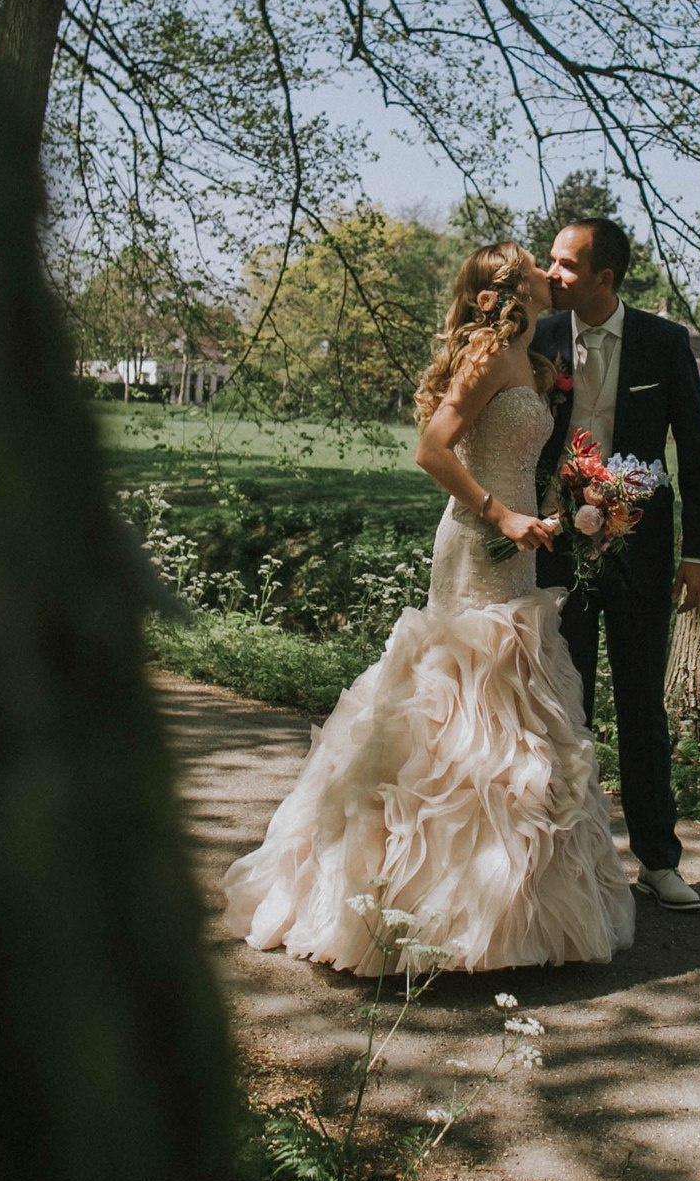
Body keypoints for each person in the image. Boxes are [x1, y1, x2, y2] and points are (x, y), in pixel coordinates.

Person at [221, 243, 637, 975]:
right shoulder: (485, 357)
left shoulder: (531, 356)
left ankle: (517, 912)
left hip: (521, 545)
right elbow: (433, 449)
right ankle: (420, 903)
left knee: (519, 710)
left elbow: (514, 453)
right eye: (536, 263)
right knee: (459, 701)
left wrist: (565, 506)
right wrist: (501, 515)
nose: (549, 269)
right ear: (502, 291)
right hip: (477, 544)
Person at [534, 217, 700, 912]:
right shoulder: (541, 336)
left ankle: (659, 859)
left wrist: (698, 554)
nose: (553, 274)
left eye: (566, 265)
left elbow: (696, 454)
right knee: (561, 701)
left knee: (640, 701)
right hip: (556, 544)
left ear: (604, 279)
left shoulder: (665, 344)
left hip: (640, 550)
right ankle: (567, 855)